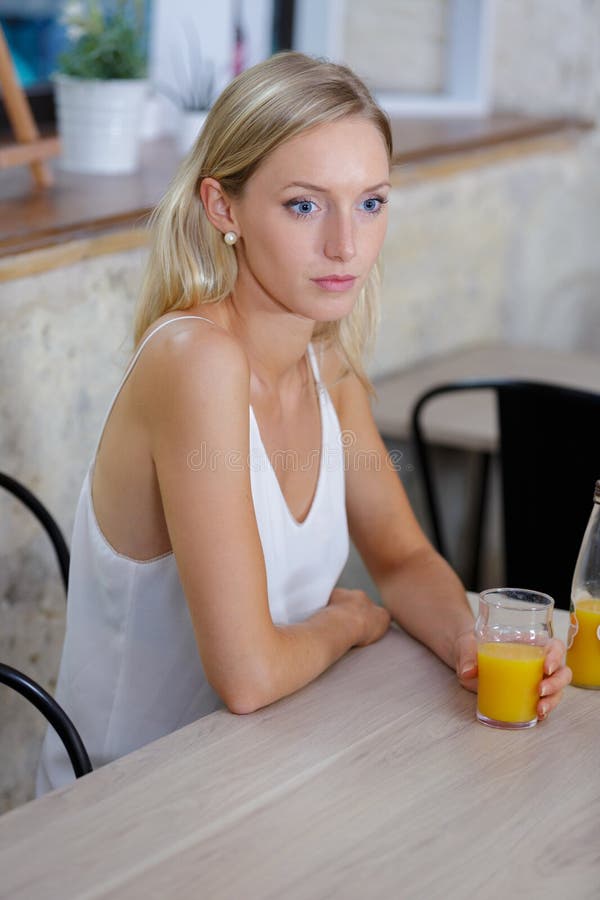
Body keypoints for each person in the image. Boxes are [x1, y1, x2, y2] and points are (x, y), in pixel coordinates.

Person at [36, 52, 571, 794]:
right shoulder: (197, 361)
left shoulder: (328, 362)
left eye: (371, 202)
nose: (346, 246)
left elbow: (403, 560)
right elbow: (249, 677)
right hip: (134, 811)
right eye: (304, 205)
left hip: (268, 773)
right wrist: (347, 623)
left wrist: (470, 644)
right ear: (223, 208)